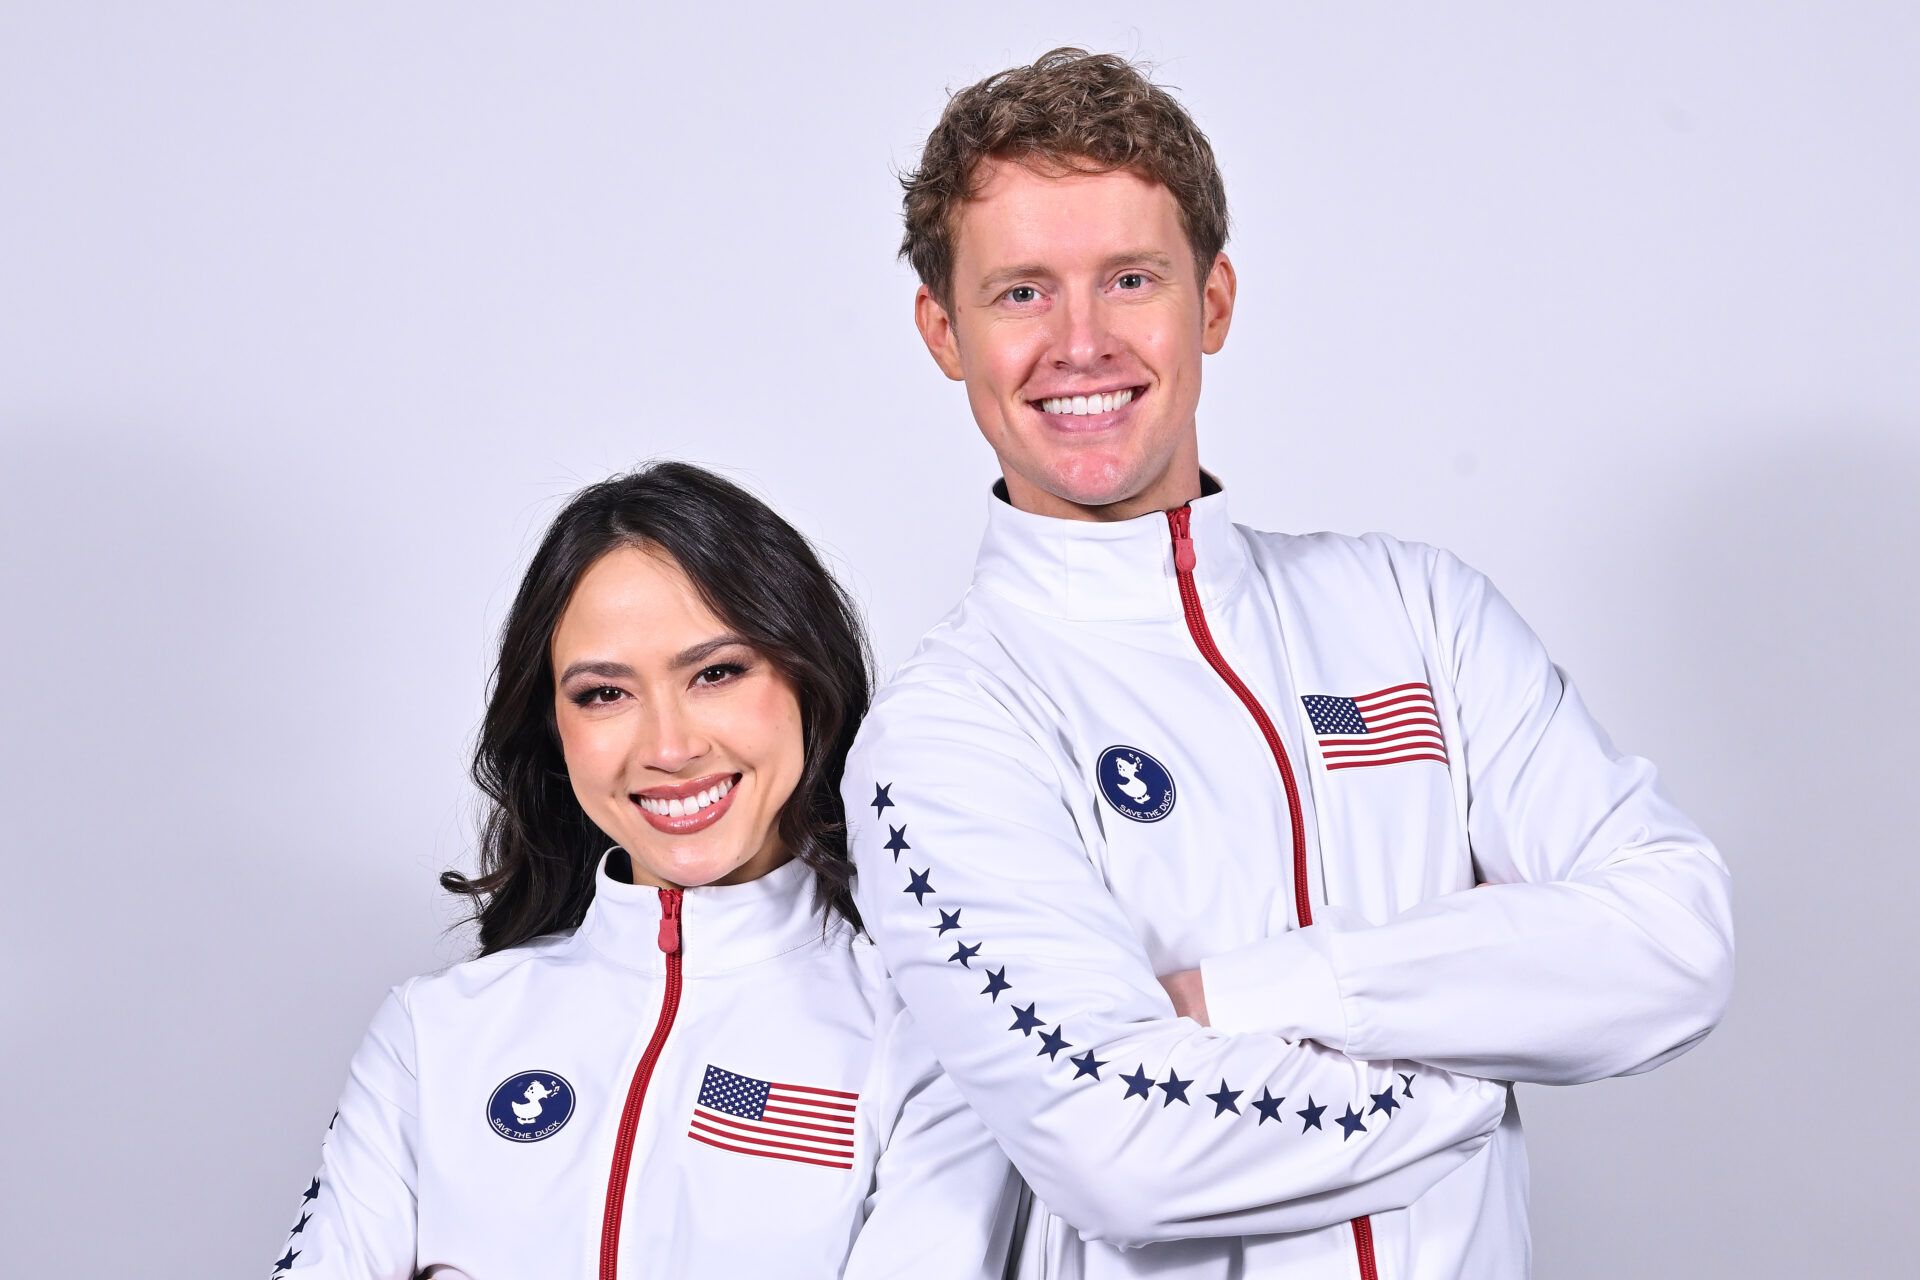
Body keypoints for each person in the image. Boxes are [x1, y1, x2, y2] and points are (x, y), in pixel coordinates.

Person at [842, 49, 1735, 1279]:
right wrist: (1472, 1082)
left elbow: (1676, 937)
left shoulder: (1418, 610)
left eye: (1131, 279)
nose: (1082, 342)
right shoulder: (945, 732)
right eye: (1022, 293)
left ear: (1212, 302)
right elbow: (1122, 1148)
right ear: (946, 331)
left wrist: (1245, 993)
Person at [270, 463, 1020, 1278]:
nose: (669, 748)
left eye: (717, 673)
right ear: (552, 728)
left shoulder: (933, 1033)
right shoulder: (434, 1035)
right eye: (603, 694)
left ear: (808, 680)